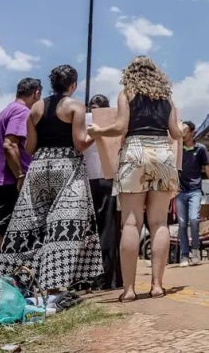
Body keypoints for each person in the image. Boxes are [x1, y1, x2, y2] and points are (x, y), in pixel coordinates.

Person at [0, 66, 102, 310]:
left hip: (40, 167)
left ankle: (15, 284)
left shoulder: (36, 108)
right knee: (63, 227)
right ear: (73, 85)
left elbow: (30, 147)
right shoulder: (75, 106)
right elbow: (80, 143)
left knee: (32, 226)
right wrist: (96, 134)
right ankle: (54, 289)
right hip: (67, 167)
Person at [87, 56, 184, 302]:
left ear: (130, 73)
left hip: (135, 151)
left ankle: (129, 290)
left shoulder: (126, 94)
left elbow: (121, 127)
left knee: (131, 223)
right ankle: (157, 286)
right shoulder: (167, 99)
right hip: (162, 153)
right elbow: (175, 133)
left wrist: (99, 131)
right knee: (159, 222)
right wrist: (182, 128)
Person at [0, 77, 42, 277]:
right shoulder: (22, 112)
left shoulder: (4, 112)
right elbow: (9, 144)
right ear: (36, 93)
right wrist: (20, 175)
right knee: (8, 234)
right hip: (10, 182)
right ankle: (3, 281)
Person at [85, 94, 123, 289]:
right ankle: (110, 278)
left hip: (87, 179)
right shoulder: (113, 122)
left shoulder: (83, 121)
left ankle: (90, 279)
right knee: (109, 230)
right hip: (108, 178)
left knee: (89, 231)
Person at [177, 120, 209, 267]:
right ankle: (184, 255)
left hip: (195, 190)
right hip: (179, 191)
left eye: (185, 131)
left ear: (192, 132)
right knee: (182, 224)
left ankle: (195, 251)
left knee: (194, 219)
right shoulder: (177, 149)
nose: (182, 134)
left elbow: (208, 169)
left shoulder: (200, 149)